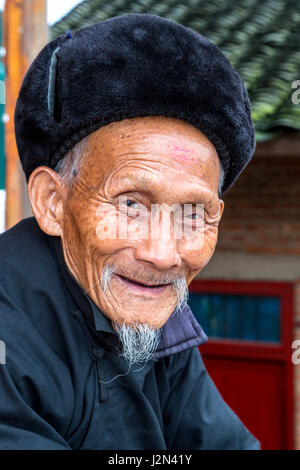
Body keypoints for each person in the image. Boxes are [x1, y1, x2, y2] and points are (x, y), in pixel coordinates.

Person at [0, 13, 260, 449]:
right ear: (52, 201)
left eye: (193, 212)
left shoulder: (156, 312)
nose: (163, 254)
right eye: (131, 204)